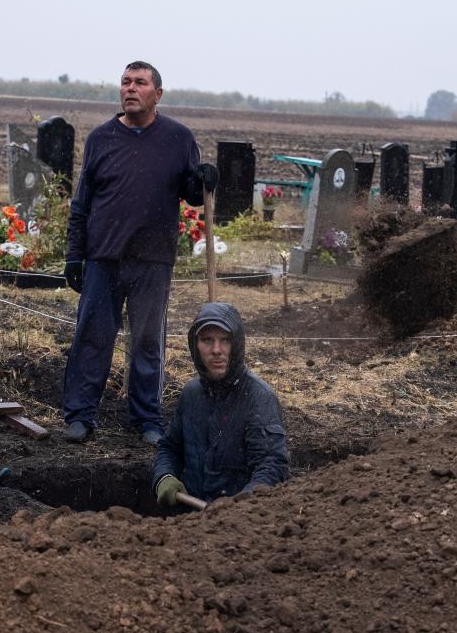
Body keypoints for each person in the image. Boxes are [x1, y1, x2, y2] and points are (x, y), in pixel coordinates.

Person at [61, 60, 219, 445]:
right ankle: (80, 416)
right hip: (104, 256)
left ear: (157, 94)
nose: (130, 88)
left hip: (153, 258)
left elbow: (192, 193)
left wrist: (205, 178)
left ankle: (146, 419)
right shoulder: (101, 138)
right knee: (92, 338)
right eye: (125, 82)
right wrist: (74, 255)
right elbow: (82, 202)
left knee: (148, 342)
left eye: (140, 83)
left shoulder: (178, 138)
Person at [153, 302, 290, 507]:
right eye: (207, 340)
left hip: (239, 526)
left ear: (237, 345)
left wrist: (239, 505)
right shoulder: (191, 394)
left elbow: (272, 466)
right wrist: (164, 476)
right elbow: (169, 447)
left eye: (225, 340)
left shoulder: (259, 398)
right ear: (195, 345)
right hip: (188, 521)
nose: (216, 350)